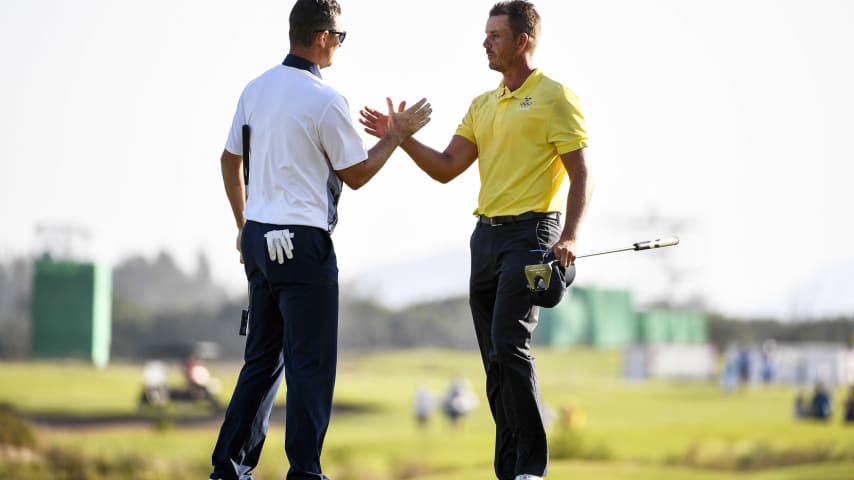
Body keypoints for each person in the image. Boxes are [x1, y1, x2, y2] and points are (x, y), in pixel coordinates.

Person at [360, 2, 592, 478]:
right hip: (484, 239)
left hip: (532, 234)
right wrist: (400, 139)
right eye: (485, 34)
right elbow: (447, 167)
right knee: (493, 359)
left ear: (521, 41)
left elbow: (581, 173)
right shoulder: (482, 105)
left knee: (510, 343)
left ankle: (531, 466)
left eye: (495, 35)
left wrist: (569, 235)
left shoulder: (555, 97)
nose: (485, 42)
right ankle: (509, 469)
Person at [209, 1, 431, 479]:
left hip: (259, 240)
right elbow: (358, 174)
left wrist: (243, 223)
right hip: (304, 246)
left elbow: (229, 162)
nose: (341, 46)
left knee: (262, 361)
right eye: (342, 38)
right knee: (310, 364)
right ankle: (305, 471)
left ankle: (229, 468)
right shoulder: (325, 100)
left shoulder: (255, 89)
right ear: (324, 37)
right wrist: (396, 135)